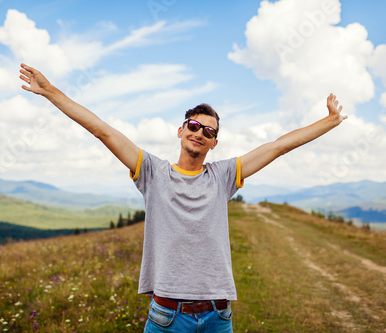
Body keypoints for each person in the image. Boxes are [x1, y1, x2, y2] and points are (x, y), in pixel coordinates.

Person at [19, 63, 347, 332]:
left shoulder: (223, 176)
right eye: (193, 125)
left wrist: (330, 121)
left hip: (219, 317)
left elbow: (278, 146)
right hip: (167, 317)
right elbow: (102, 130)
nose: (199, 133)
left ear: (214, 143)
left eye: (209, 131)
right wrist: (49, 92)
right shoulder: (151, 171)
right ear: (181, 130)